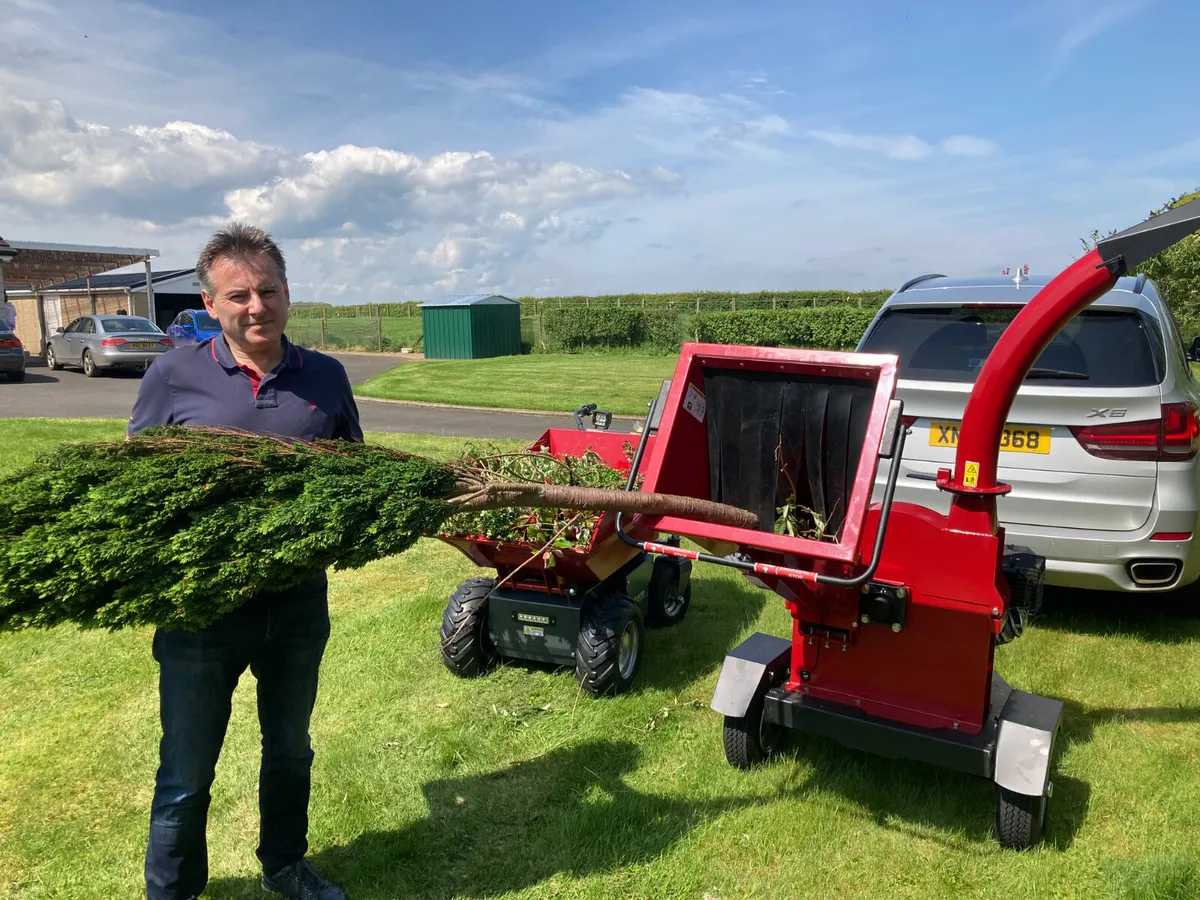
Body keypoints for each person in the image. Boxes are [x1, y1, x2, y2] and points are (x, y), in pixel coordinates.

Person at [129, 223, 361, 900]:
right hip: (202, 612)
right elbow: (136, 487)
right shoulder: (173, 374)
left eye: (269, 290)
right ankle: (172, 892)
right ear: (208, 303)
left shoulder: (326, 375)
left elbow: (353, 471)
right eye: (239, 295)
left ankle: (285, 867)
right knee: (187, 770)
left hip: (296, 606)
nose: (256, 306)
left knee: (289, 748)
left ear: (288, 294)